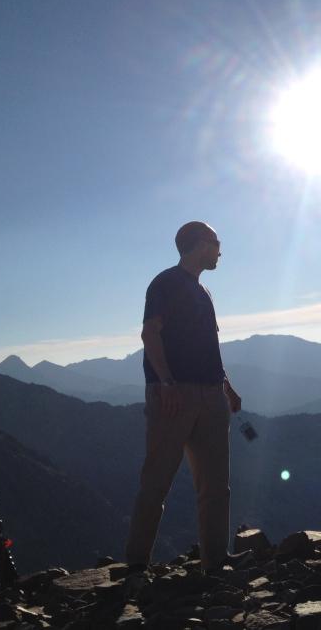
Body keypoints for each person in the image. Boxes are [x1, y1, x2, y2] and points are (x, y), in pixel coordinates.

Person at [125, 221, 243, 572]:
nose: (220, 250)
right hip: (176, 395)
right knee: (157, 482)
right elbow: (150, 333)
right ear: (197, 244)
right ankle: (135, 566)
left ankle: (215, 562)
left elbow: (208, 346)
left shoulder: (203, 292)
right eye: (216, 242)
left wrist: (227, 386)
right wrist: (165, 382)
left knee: (216, 486)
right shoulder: (166, 283)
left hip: (210, 395)